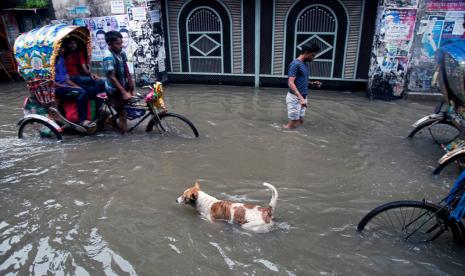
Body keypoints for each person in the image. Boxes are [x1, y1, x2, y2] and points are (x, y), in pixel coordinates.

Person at [283, 43, 322, 129]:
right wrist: (300, 98)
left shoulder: (305, 64)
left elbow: (301, 80)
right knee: (292, 124)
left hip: (303, 97)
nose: (313, 58)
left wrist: (312, 83)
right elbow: (290, 82)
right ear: (306, 52)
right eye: (312, 55)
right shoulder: (295, 64)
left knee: (300, 120)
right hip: (295, 98)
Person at [54, 48, 95, 128]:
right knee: (81, 93)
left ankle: (92, 115)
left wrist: (76, 86)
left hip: (65, 86)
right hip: (57, 89)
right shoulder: (50, 63)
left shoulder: (61, 59)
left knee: (89, 90)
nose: (61, 50)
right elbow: (52, 83)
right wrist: (69, 87)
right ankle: (81, 120)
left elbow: (67, 78)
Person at [103, 31, 135, 133]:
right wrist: (124, 92)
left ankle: (111, 119)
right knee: (122, 114)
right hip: (113, 90)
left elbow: (125, 68)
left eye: (121, 43)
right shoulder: (108, 57)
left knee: (126, 107)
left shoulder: (122, 53)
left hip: (123, 85)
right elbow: (112, 77)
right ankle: (125, 138)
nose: (120, 46)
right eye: (118, 44)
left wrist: (130, 86)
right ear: (109, 44)